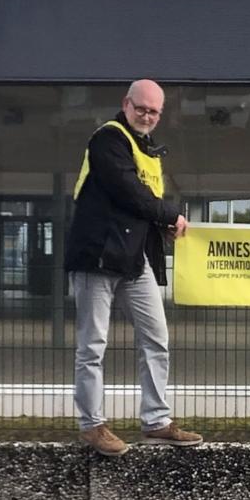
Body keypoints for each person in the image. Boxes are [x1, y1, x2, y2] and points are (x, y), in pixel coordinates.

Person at [65, 79, 202, 456]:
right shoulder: (108, 139)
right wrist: (170, 214)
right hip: (98, 255)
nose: (147, 115)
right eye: (141, 108)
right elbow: (128, 191)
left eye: (154, 111)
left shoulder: (148, 150)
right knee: (92, 345)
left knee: (156, 336)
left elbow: (141, 203)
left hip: (133, 257)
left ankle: (156, 420)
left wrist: (162, 224)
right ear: (126, 104)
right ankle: (92, 425)